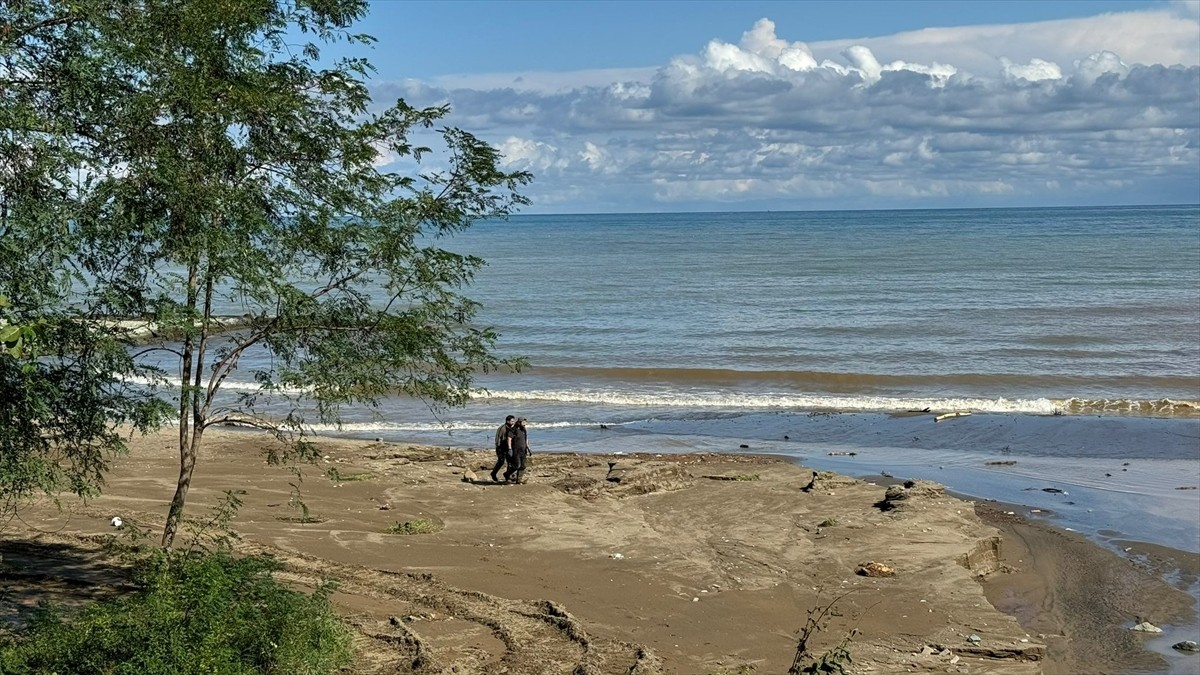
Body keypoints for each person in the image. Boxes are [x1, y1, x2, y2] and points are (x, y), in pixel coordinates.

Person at [503, 417, 531, 483]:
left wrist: (528, 447)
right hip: (516, 450)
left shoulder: (524, 429)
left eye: (525, 422)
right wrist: (510, 448)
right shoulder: (514, 429)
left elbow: (525, 438)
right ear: (519, 422)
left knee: (523, 466)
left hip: (523, 450)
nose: (525, 424)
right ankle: (507, 474)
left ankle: (519, 480)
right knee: (517, 465)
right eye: (523, 422)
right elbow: (509, 438)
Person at [491, 415, 515, 483]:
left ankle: (508, 476)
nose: (513, 422)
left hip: (508, 448)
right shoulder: (502, 428)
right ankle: (493, 473)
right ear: (508, 421)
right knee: (501, 462)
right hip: (501, 448)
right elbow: (497, 439)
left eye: (513, 421)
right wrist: (498, 448)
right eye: (512, 421)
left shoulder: (512, 428)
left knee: (510, 462)